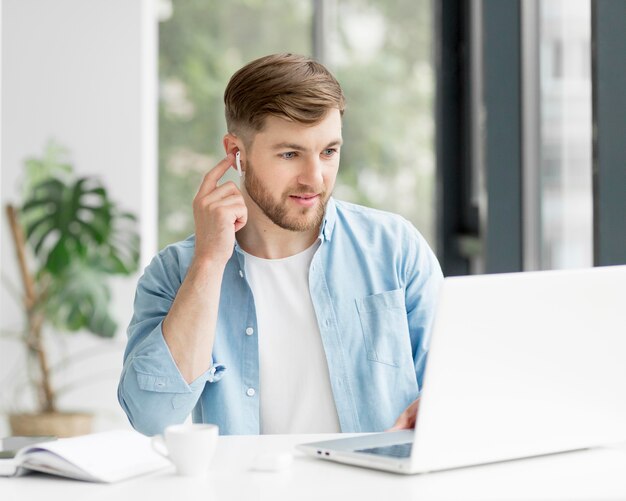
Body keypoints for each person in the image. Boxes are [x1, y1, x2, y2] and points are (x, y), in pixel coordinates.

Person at [118, 53, 443, 436]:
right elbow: (151, 418)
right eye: (290, 154)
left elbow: (457, 386)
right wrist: (208, 261)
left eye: (329, 152)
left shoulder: (395, 248)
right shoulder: (177, 271)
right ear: (236, 152)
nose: (314, 178)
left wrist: (440, 409)